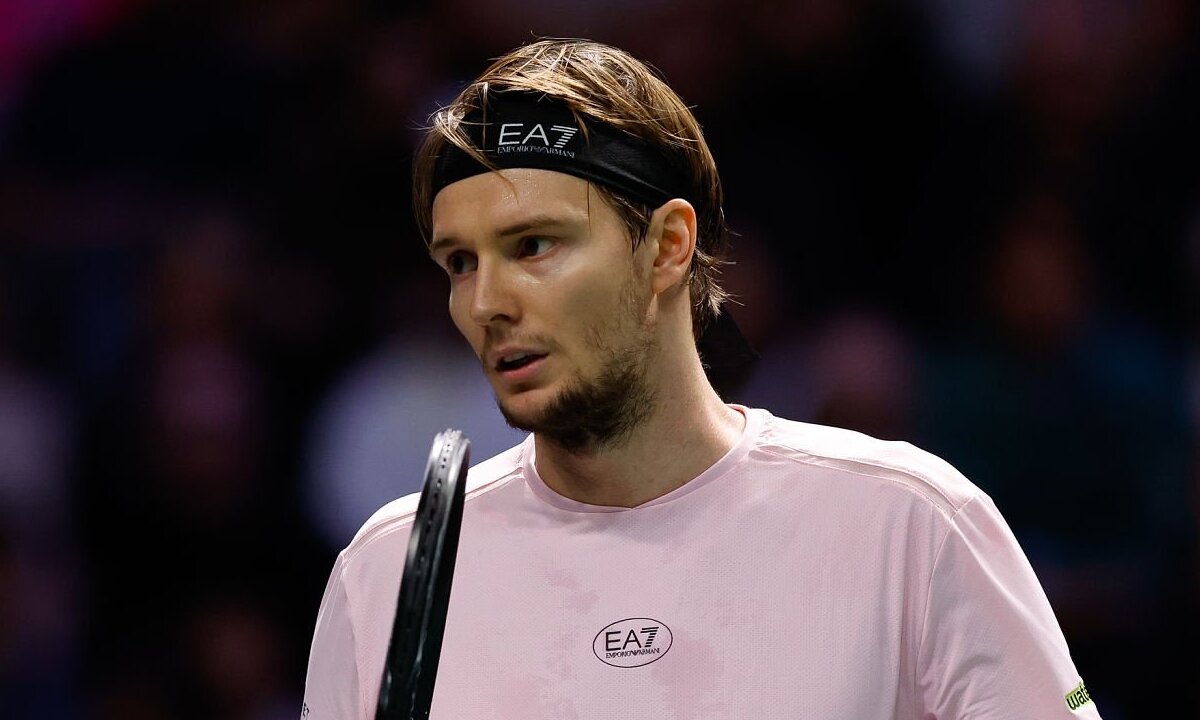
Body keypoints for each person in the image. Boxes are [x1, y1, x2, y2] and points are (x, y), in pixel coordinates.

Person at [301, 38, 1102, 719]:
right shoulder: (388, 573)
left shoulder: (912, 523)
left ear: (667, 246)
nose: (485, 302)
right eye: (460, 262)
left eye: (534, 245)